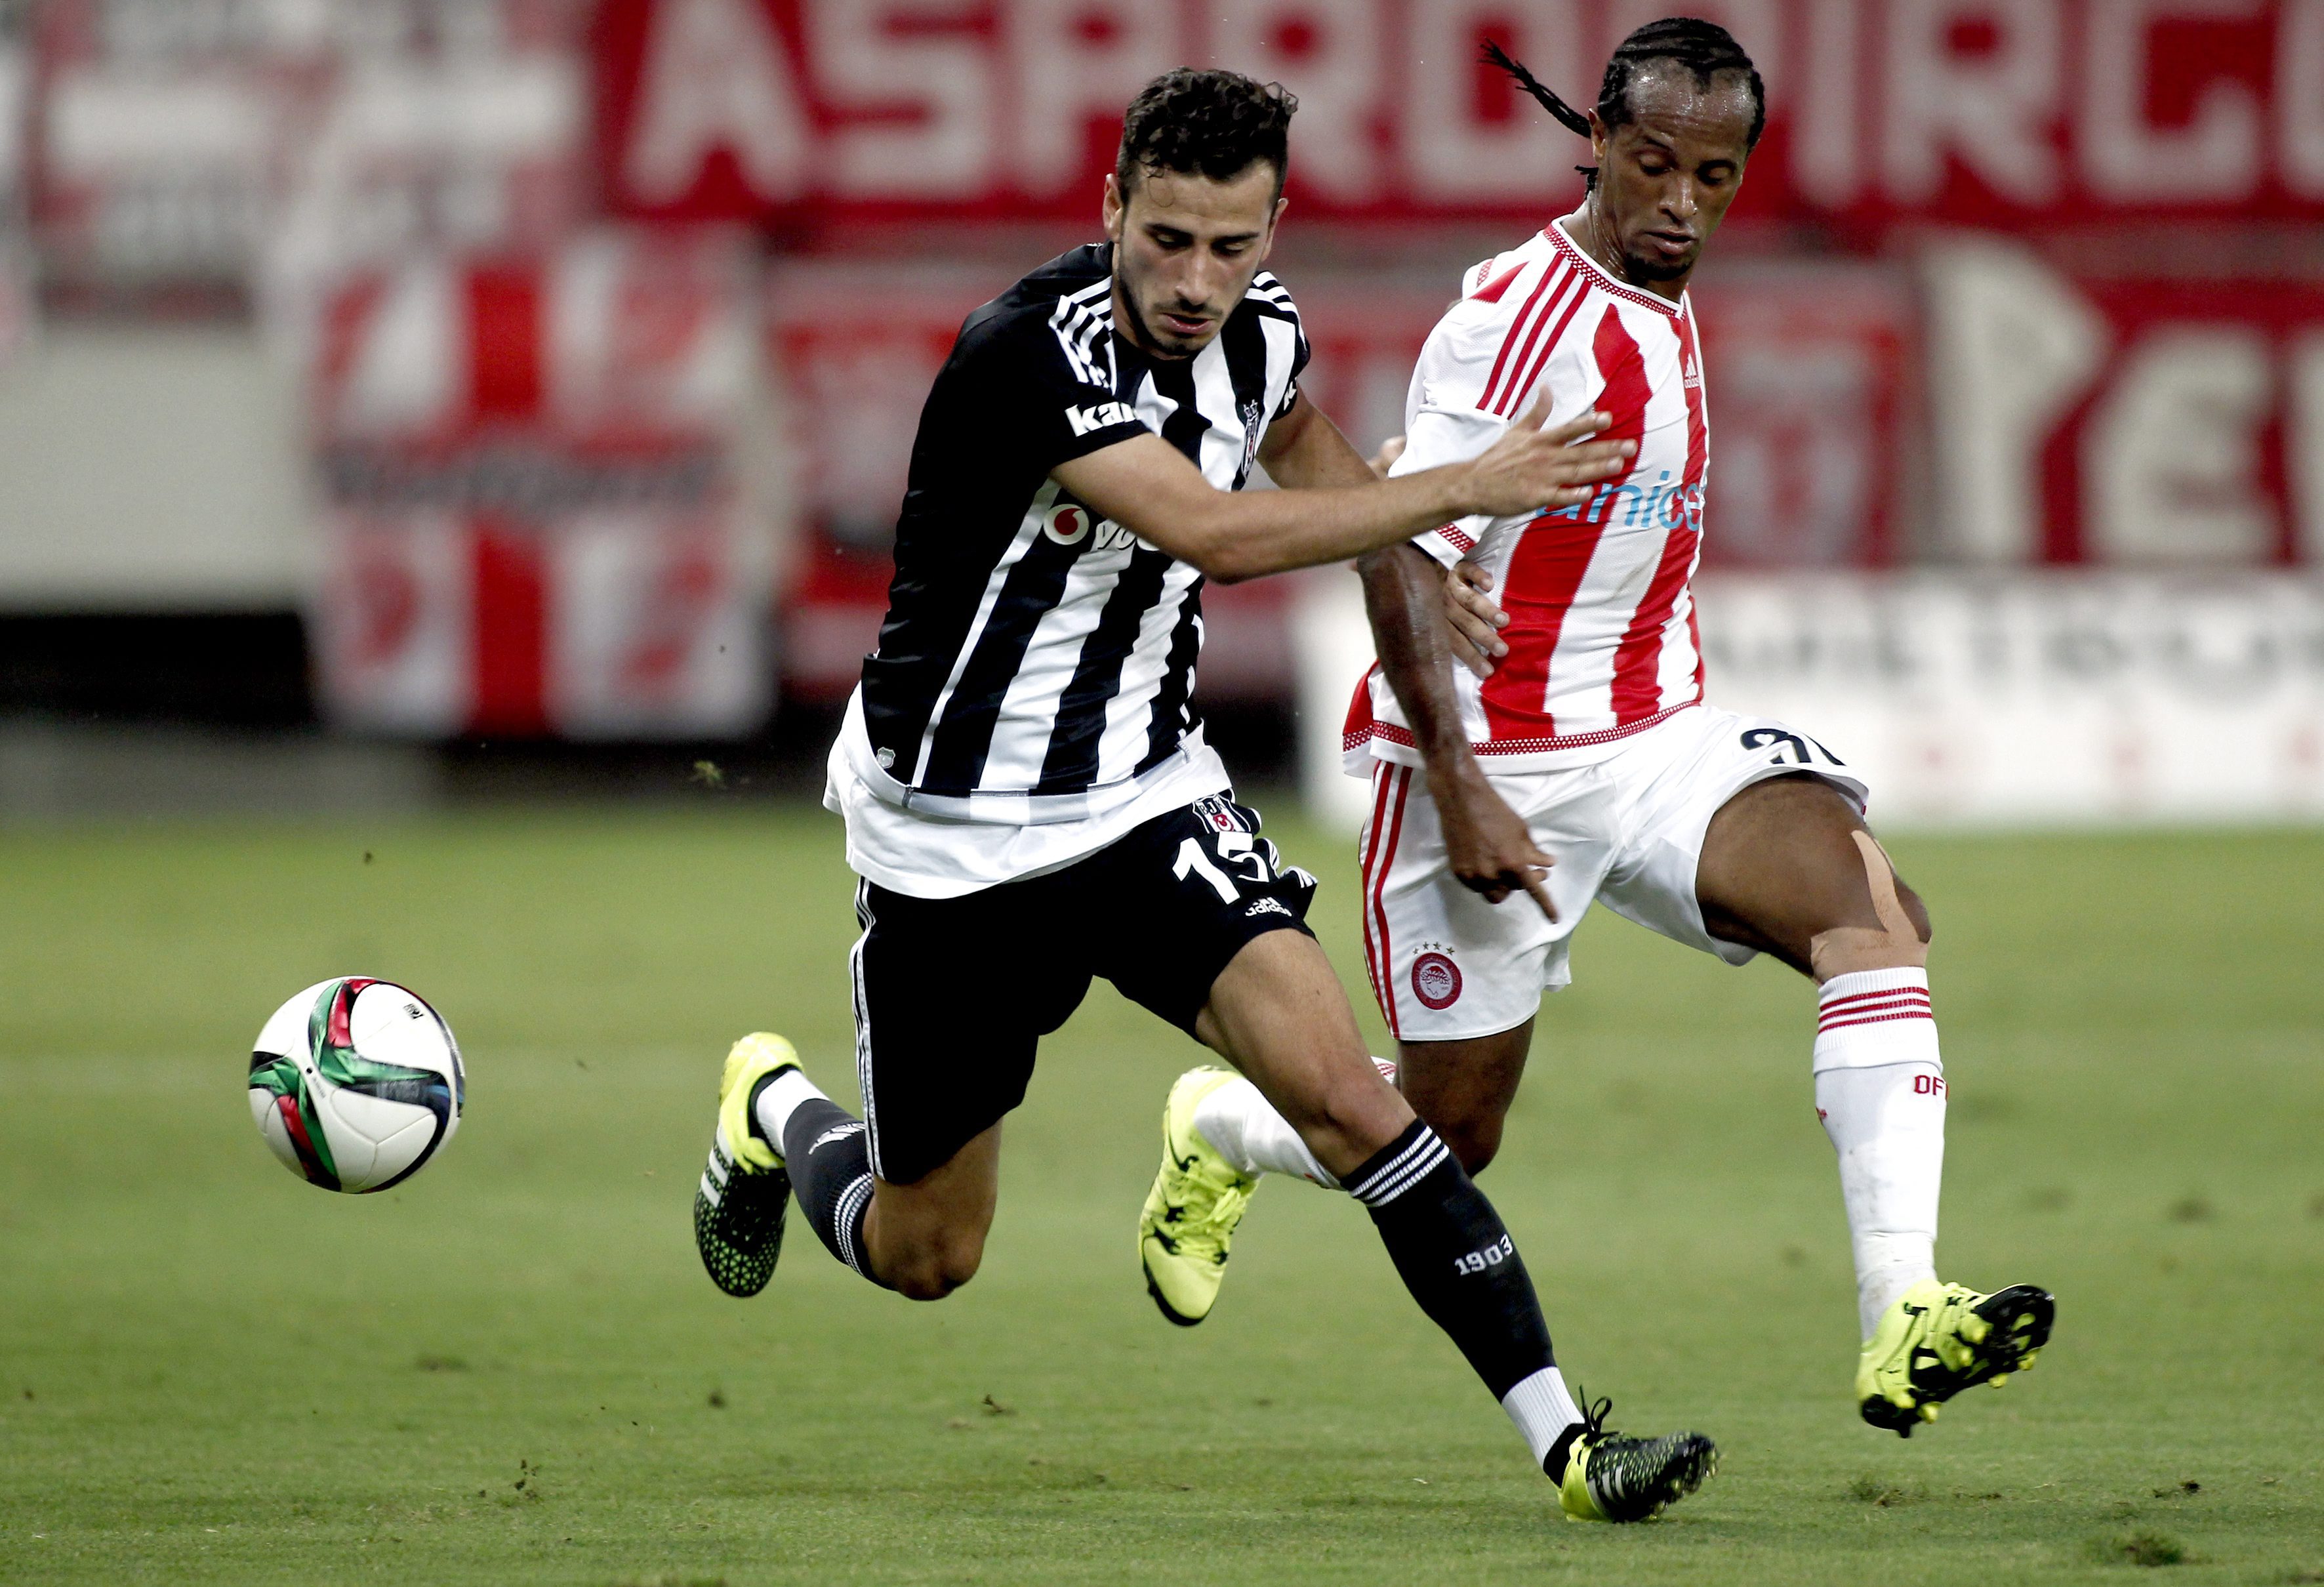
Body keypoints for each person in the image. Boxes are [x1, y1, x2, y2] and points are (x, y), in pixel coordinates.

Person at [691, 68, 1717, 1521]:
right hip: (953, 841)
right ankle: (772, 1110)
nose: (1193, 281)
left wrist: (1413, 564)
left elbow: (1318, 468)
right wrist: (1458, 491)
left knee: (1355, 1101)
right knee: (927, 1250)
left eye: (1229, 247)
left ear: (1272, 229)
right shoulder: (1024, 354)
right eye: (1164, 238)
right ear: (1109, 205)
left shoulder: (1261, 336)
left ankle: (1568, 1446)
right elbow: (1220, 536)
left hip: (1143, 801)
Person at [1143, 21, 2054, 1440]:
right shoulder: (1508, 320)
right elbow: (1396, 549)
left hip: (1660, 738)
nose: (1680, 200)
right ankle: (1220, 1130)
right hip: (1488, 766)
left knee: (1869, 910)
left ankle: (1901, 1313)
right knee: (1445, 1135)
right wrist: (1455, 776)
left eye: (1714, 173)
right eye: (1650, 165)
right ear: (1597, 152)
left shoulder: (1663, 290)